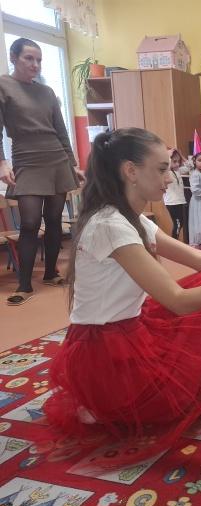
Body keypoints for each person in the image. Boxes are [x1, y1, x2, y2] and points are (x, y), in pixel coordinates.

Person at [45, 128, 201, 465]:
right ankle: (107, 403)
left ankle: (123, 401)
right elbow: (176, 300)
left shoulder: (131, 219)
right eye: (162, 169)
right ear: (130, 171)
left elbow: (199, 258)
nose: (170, 178)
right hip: (104, 350)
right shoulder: (110, 225)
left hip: (130, 328)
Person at [0, 38, 84, 306]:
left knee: (54, 219)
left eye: (38, 60)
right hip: (26, 158)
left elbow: (61, 130)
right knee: (29, 222)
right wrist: (2, 163)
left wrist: (72, 163)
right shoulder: (3, 85)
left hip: (56, 159)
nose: (35, 64)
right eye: (29, 58)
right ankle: (24, 285)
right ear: (13, 58)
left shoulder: (47, 92)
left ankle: (50, 273)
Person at [164, 149, 187, 239]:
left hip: (180, 201)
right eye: (174, 161)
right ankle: (174, 241)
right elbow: (166, 167)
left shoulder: (178, 171)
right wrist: (168, 157)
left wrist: (181, 155)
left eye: (178, 161)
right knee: (178, 224)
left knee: (180, 223)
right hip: (172, 203)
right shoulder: (165, 172)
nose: (177, 164)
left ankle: (174, 241)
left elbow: (190, 166)